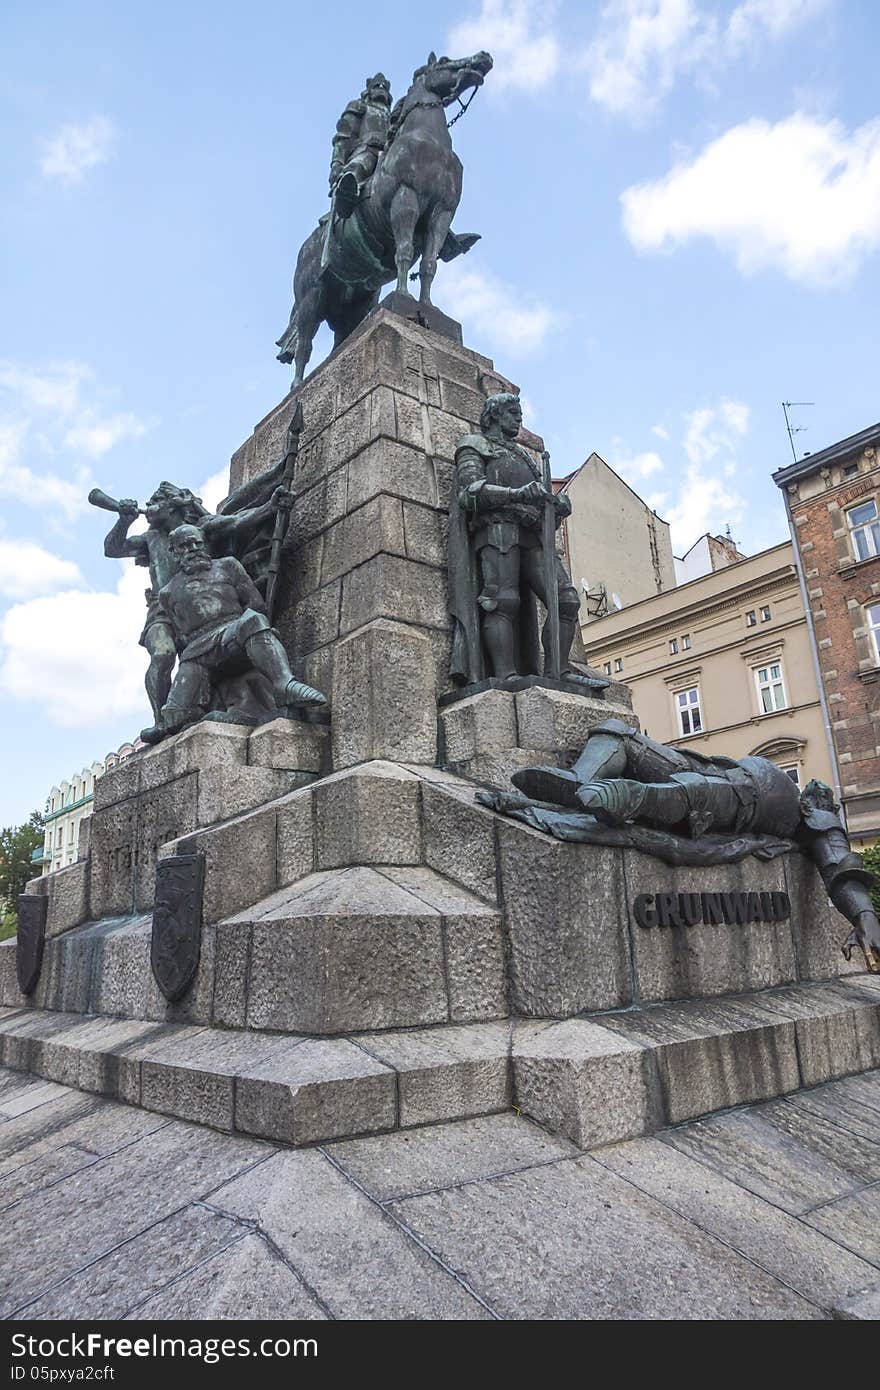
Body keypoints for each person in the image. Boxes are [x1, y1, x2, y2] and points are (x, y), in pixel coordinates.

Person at [512, 718, 880, 972]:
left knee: (686, 794)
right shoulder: (796, 798)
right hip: (712, 770)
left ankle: (618, 799)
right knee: (619, 734)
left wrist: (865, 917)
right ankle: (579, 783)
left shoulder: (814, 820)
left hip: (739, 799)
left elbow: (840, 867)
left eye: (822, 795)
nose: (816, 788)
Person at [103, 479, 295, 736]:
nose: (148, 507)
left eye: (154, 502)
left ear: (172, 506)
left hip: (206, 612)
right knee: (162, 654)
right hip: (163, 609)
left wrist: (271, 508)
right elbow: (112, 549)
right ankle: (161, 723)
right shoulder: (151, 539)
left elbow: (238, 522)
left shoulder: (201, 528)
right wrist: (124, 520)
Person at [448, 392, 607, 691]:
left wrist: (556, 506)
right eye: (512, 411)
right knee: (501, 601)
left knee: (566, 601)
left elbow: (540, 500)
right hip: (498, 529)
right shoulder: (474, 446)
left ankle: (558, 670)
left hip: (533, 533)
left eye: (519, 412)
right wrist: (517, 495)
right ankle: (505, 674)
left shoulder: (525, 456)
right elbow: (468, 493)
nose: (519, 417)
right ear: (494, 415)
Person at [143, 525, 326, 743]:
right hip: (197, 652)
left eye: (196, 543)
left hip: (232, 632)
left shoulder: (228, 566)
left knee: (253, 619)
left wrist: (257, 635)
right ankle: (165, 721)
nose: (192, 549)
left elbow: (256, 605)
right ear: (173, 552)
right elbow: (181, 635)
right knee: (175, 717)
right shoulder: (167, 592)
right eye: (184, 546)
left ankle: (285, 685)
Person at [329, 72, 392, 219]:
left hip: (390, 154)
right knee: (359, 167)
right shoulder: (359, 106)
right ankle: (346, 198)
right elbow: (344, 135)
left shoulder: (394, 115)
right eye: (377, 86)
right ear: (369, 90)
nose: (381, 88)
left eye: (384, 87)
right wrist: (337, 163)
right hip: (366, 150)